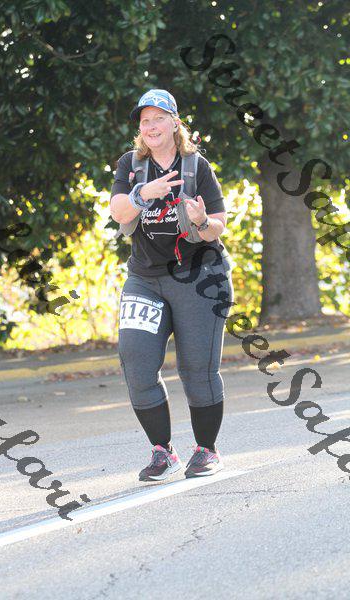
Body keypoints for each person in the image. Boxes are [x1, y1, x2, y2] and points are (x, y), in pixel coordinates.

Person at [110, 89, 234, 481]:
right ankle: (163, 452)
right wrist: (142, 194)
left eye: (158, 119)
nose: (150, 127)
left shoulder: (196, 165)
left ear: (174, 123)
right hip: (145, 279)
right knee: (136, 362)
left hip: (200, 278)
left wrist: (200, 220)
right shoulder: (131, 164)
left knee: (197, 368)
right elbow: (118, 212)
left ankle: (206, 450)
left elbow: (217, 225)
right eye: (144, 121)